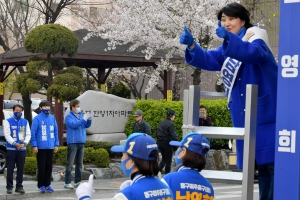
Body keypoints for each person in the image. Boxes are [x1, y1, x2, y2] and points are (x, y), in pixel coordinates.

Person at [179, 2, 277, 200]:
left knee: (271, 165)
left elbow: (254, 54)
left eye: (231, 19)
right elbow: (208, 59)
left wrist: (230, 40)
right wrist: (192, 46)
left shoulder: (256, 36)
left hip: (265, 113)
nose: (227, 23)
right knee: (255, 166)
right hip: (245, 115)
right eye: (223, 19)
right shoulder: (230, 44)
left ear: (243, 20)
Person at [76, 133, 175, 200]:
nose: (122, 158)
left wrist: (84, 196)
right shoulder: (167, 189)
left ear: (132, 161)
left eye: (123, 154)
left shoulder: (127, 195)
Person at [162, 132, 214, 199]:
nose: (177, 150)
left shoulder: (169, 180)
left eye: (179, 147)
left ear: (183, 152)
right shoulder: (209, 188)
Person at [30, 100, 59, 193]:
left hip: (50, 146)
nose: (47, 108)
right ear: (41, 108)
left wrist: (56, 144)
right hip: (41, 147)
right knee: (41, 167)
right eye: (45, 106)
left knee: (49, 167)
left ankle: (48, 184)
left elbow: (55, 132)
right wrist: (34, 145)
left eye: (48, 106)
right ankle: (41, 185)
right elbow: (33, 133)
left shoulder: (52, 118)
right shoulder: (37, 118)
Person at [64, 99, 92, 189]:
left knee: (79, 164)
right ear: (73, 107)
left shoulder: (80, 115)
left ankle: (78, 181)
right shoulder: (68, 117)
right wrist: (83, 119)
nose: (79, 108)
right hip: (73, 142)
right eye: (77, 106)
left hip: (81, 141)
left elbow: (86, 125)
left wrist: (89, 119)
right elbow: (73, 125)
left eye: (79, 106)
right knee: (70, 164)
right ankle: (67, 182)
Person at [4, 104, 31, 194]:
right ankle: (9, 187)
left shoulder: (25, 122)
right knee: (10, 168)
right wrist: (15, 144)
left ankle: (19, 186)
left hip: (22, 149)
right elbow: (7, 135)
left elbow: (28, 134)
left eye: (20, 111)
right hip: (11, 149)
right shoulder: (7, 121)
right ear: (13, 111)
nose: (18, 112)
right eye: (16, 110)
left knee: (20, 169)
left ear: (22, 112)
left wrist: (24, 143)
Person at [156, 109, 178, 175]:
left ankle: (157, 172)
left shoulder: (161, 122)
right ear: (172, 116)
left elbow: (157, 133)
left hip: (160, 143)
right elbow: (173, 135)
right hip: (167, 144)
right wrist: (179, 143)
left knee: (164, 159)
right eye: (174, 115)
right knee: (168, 161)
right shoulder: (170, 124)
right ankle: (167, 176)